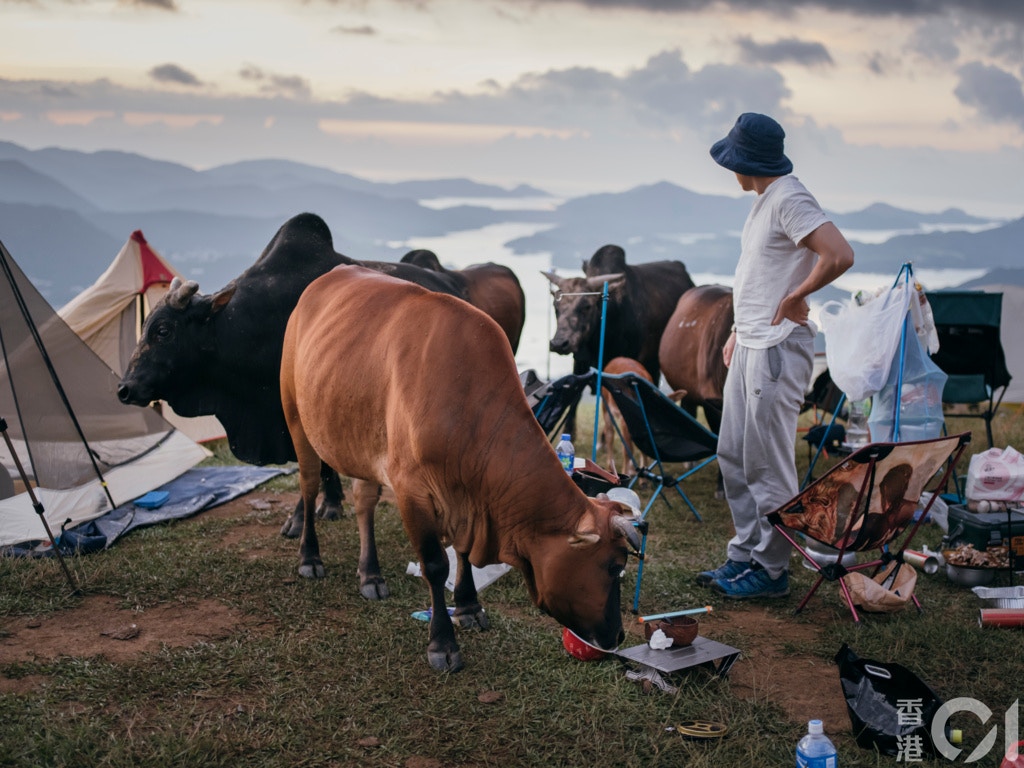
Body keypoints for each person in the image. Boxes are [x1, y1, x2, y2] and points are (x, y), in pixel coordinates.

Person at [697, 112, 855, 599]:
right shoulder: (766, 200)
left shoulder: (790, 196)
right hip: (751, 344)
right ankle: (745, 554)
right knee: (733, 455)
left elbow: (839, 254)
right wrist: (738, 332)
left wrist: (796, 298)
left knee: (766, 463)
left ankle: (772, 570)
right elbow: (762, 274)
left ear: (746, 161)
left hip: (777, 350)